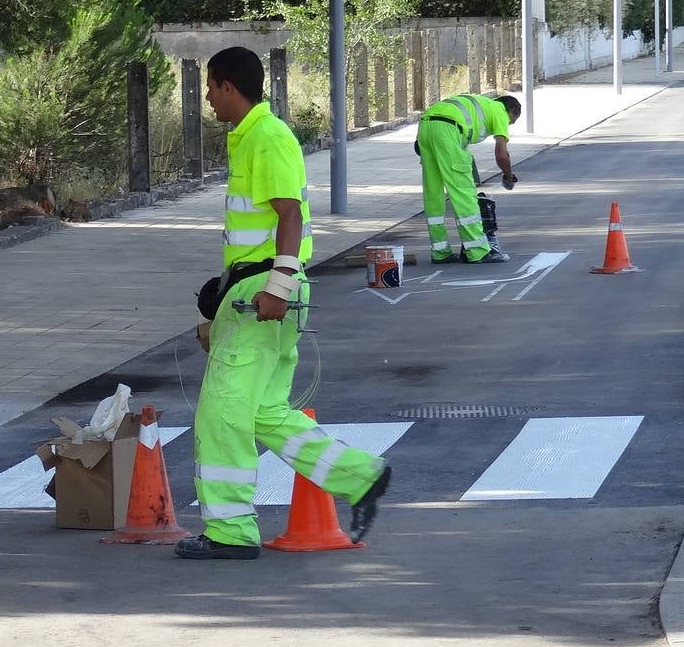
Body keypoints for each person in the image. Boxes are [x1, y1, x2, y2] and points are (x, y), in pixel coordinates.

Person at [178, 46, 391, 562]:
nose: (206, 97)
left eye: (210, 86)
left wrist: (277, 284)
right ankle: (361, 475)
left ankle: (230, 531)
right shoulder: (251, 137)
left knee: (221, 413)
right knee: (263, 412)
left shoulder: (267, 137)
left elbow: (288, 216)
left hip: (264, 294)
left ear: (230, 86)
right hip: (253, 290)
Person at [416, 92, 521, 264]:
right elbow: (502, 154)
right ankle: (478, 251)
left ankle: (440, 252)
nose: (507, 125)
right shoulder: (500, 111)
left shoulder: (481, 104)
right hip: (448, 130)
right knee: (463, 191)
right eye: (511, 122)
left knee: (433, 192)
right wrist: (508, 176)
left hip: (425, 126)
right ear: (512, 111)